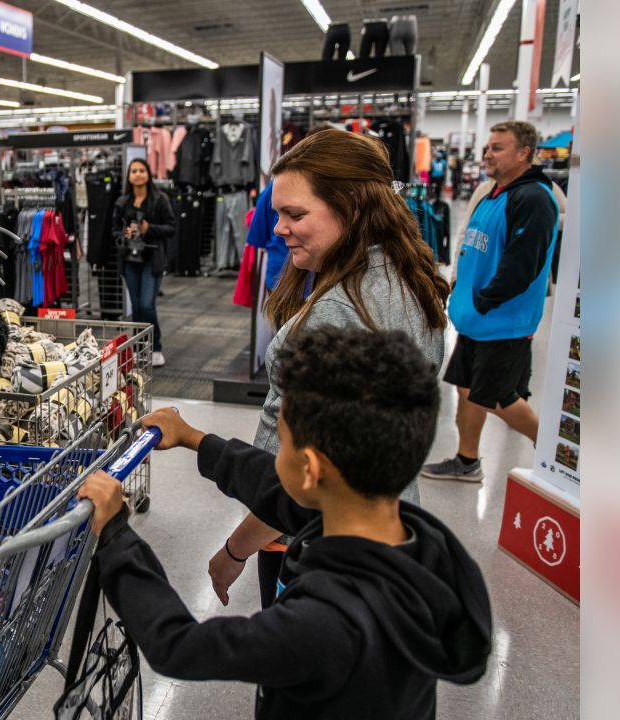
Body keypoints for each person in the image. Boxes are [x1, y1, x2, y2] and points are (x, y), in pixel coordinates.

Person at [77, 327, 492, 719]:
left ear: (311, 469)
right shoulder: (414, 540)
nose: (277, 453)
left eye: (283, 440)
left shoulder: (323, 624)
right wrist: (193, 438)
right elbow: (277, 489)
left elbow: (179, 647)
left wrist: (117, 535)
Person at [212, 128, 451, 610]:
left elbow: (302, 478)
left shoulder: (337, 314)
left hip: (315, 549)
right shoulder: (408, 279)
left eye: (295, 214)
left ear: (353, 208)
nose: (278, 228)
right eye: (279, 212)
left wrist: (236, 549)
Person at [421, 121, 560, 482]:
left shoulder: (533, 198)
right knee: (466, 388)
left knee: (499, 397)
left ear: (523, 153)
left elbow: (523, 265)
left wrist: (485, 300)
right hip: (476, 320)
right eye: (487, 147)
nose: (487, 154)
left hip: (502, 320)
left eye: (497, 147)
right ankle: (467, 461)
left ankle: (560, 456)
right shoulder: (493, 194)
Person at [112, 157, 175, 368]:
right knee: (137, 307)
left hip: (152, 260)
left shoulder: (160, 199)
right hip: (130, 260)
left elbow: (171, 227)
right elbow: (113, 232)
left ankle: (155, 346)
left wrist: (150, 229)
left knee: (148, 305)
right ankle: (140, 348)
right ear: (129, 176)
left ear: (148, 173)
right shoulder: (122, 202)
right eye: (134, 171)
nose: (138, 174)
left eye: (141, 170)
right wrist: (125, 233)